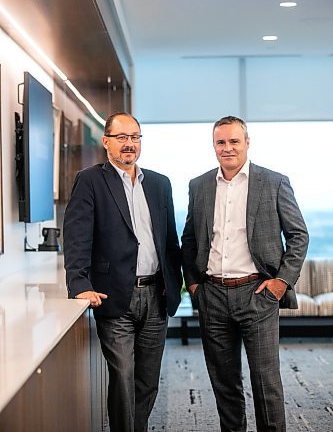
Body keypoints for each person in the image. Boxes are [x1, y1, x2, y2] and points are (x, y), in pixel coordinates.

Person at [181, 115, 309, 432]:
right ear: (213, 146)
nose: (228, 148)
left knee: (266, 383)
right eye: (221, 142)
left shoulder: (274, 182)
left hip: (257, 296)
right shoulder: (199, 185)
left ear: (247, 143)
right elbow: (189, 239)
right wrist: (195, 285)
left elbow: (299, 235)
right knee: (224, 384)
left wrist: (281, 283)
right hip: (212, 296)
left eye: (234, 141)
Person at [64, 112, 182, 432]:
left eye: (134, 137)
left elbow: (169, 240)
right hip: (114, 295)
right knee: (122, 377)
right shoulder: (90, 180)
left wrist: (177, 282)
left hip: (156, 295)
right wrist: (79, 283)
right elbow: (76, 237)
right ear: (106, 142)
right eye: (121, 137)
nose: (129, 144)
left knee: (147, 380)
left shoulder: (159, 183)